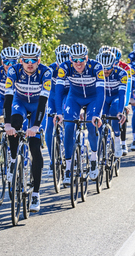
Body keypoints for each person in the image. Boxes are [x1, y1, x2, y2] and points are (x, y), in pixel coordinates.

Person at [4, 42, 52, 213]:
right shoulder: (13, 70)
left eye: (33, 60)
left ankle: (37, 194)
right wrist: (7, 123)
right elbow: (8, 97)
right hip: (20, 103)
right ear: (21, 60)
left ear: (38, 60)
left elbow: (43, 102)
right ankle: (13, 158)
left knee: (34, 147)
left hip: (38, 106)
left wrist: (36, 126)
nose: (29, 63)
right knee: (15, 123)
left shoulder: (46, 72)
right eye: (26, 60)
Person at [54, 43, 105, 186]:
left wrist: (97, 114)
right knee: (69, 126)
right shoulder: (64, 67)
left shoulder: (96, 67)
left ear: (86, 58)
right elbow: (58, 90)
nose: (78, 63)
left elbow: (101, 92)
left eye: (81, 59)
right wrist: (59, 112)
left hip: (93, 99)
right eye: (75, 59)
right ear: (70, 59)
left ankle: (94, 158)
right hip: (74, 98)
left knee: (91, 126)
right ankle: (69, 168)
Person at [44, 46, 70, 175]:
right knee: (49, 126)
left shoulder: (74, 67)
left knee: (69, 121)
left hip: (68, 96)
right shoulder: (51, 69)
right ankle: (52, 159)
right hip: (53, 97)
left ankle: (70, 154)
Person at [100, 51, 128, 158]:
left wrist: (120, 111)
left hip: (116, 97)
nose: (106, 71)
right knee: (100, 118)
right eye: (104, 68)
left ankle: (117, 139)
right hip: (103, 98)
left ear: (114, 64)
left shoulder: (122, 73)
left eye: (108, 68)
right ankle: (100, 145)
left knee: (114, 111)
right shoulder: (97, 72)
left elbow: (122, 94)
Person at [110, 46, 131, 155]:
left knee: (121, 112)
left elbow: (127, 88)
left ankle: (122, 142)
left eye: (117, 61)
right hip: (107, 96)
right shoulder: (104, 67)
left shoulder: (125, 68)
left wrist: (126, 104)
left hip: (119, 94)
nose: (115, 64)